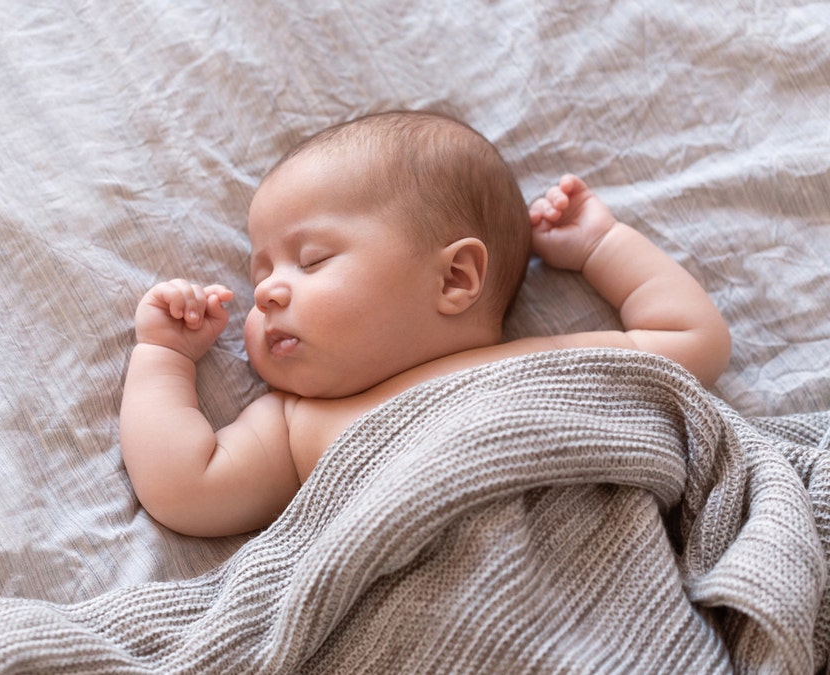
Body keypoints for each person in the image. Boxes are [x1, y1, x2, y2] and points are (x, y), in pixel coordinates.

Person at [119, 110, 732, 538]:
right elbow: (184, 490)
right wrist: (164, 357)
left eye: (313, 261)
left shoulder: (550, 362)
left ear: (455, 279)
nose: (270, 291)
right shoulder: (292, 427)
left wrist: (602, 246)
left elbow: (693, 341)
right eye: (258, 282)